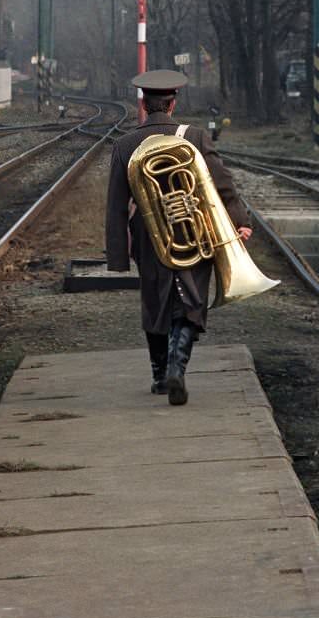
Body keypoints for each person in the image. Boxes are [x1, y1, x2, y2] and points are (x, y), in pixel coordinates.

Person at [105, 70, 252, 406]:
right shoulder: (196, 137)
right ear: (173, 103)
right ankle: (177, 368)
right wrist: (239, 222)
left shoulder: (125, 144)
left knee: (155, 298)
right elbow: (223, 184)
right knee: (191, 299)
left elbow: (115, 205)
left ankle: (160, 375)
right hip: (194, 231)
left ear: (143, 104)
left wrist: (117, 253)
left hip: (147, 234)